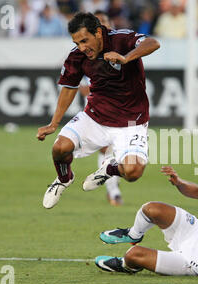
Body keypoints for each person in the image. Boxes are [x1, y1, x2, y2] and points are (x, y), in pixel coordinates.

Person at [37, 12, 160, 209]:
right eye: (77, 43)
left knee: (133, 172)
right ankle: (64, 178)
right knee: (60, 148)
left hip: (132, 121)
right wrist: (54, 123)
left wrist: (126, 58)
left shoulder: (121, 39)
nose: (82, 48)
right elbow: (69, 87)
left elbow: (153, 43)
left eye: (85, 41)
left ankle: (110, 168)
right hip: (95, 117)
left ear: (98, 33)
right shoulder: (77, 56)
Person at [78, 10, 123, 206]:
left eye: (105, 22)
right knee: (106, 148)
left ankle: (112, 187)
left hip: (121, 106)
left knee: (119, 151)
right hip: (98, 109)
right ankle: (113, 193)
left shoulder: (119, 48)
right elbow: (79, 86)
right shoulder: (83, 53)